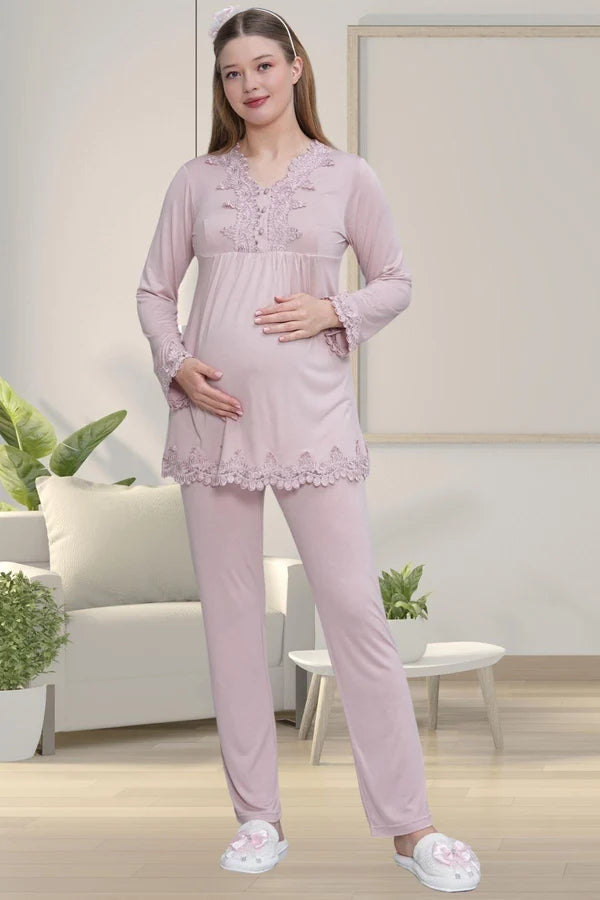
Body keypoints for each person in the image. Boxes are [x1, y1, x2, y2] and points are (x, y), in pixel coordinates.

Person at [136, 4, 481, 892]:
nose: (247, 84)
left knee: (356, 614)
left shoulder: (346, 176)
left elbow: (396, 280)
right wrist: (177, 365)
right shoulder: (195, 180)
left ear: (294, 66)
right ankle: (258, 817)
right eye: (231, 73)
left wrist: (335, 308)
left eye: (262, 65)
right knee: (231, 620)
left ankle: (411, 827)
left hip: (314, 421)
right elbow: (154, 291)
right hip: (213, 424)